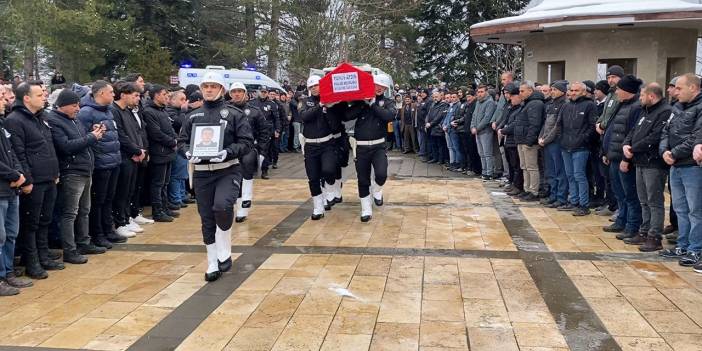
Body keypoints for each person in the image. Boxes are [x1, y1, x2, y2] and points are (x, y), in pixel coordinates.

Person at [177, 71, 253, 282]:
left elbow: (246, 142)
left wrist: (228, 152)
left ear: (221, 89)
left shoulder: (235, 114)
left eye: (213, 86)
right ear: (201, 89)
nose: (209, 89)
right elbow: (181, 142)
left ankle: (225, 247)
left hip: (227, 170)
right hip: (202, 173)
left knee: (222, 206)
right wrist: (187, 152)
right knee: (207, 218)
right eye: (206, 86)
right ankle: (212, 260)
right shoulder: (192, 116)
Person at [5, 82, 61, 279]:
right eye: (39, 95)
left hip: (49, 177)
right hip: (33, 181)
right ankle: (32, 261)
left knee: (45, 220)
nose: (44, 97)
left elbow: (49, 146)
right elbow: (19, 153)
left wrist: (55, 172)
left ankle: (43, 255)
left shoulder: (41, 118)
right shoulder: (15, 120)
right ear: (26, 98)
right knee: (31, 223)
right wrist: (27, 180)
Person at [49, 89, 107, 265]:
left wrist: (92, 132)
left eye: (78, 104)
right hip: (71, 172)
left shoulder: (73, 119)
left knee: (84, 210)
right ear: (63, 105)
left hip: (84, 169)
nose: (78, 108)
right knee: (70, 213)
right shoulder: (54, 120)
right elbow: (66, 146)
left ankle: (83, 242)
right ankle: (70, 250)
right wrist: (92, 137)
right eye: (74, 105)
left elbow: (81, 139)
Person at [659, 73, 702, 267]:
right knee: (681, 208)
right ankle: (682, 245)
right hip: (675, 165)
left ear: (693, 88)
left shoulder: (700, 108)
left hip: (691, 166)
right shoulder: (676, 107)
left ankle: (696, 249)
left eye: (679, 88)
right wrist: (665, 151)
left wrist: (674, 153)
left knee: (695, 210)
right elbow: (666, 131)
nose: (675, 91)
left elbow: (696, 137)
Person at [622, 83, 670, 251]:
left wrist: (633, 149)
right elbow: (633, 131)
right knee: (643, 201)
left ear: (651, 96)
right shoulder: (645, 110)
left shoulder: (664, 111)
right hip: (640, 162)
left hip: (654, 163)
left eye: (642, 95)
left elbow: (655, 137)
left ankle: (654, 236)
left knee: (654, 201)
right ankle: (644, 231)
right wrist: (626, 145)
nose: (640, 98)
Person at [345, 74, 395, 222]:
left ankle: (377, 190)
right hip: (361, 147)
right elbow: (347, 115)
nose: (379, 88)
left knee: (381, 174)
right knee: (362, 179)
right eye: (376, 85)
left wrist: (373, 104)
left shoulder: (387, 102)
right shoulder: (361, 101)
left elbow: (389, 116)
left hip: (379, 146)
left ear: (385, 88)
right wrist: (362, 103)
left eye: (382, 86)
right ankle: (366, 208)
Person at [0, 83, 32, 295]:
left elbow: (11, 154)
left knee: (11, 233)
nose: (5, 100)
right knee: (0, 236)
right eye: (2, 96)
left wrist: (20, 175)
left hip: (12, 189)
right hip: (2, 188)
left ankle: (8, 272)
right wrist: (13, 175)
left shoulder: (2, 124)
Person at [603, 75, 643, 238]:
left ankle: (632, 225)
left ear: (627, 91)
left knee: (630, 195)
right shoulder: (621, 105)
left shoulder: (635, 107)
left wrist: (626, 159)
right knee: (619, 192)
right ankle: (621, 219)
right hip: (614, 155)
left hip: (624, 159)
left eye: (619, 89)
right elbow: (612, 131)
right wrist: (605, 152)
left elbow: (631, 135)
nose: (617, 91)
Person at [228, 82, 271, 223]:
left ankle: (245, 202)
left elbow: (265, 131)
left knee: (246, 168)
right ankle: (237, 203)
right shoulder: (224, 110)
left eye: (240, 91)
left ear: (245, 93)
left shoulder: (254, 111)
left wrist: (262, 152)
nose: (237, 94)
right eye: (234, 91)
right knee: (234, 178)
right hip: (230, 149)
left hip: (248, 148)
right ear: (230, 94)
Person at [111, 81, 148, 238]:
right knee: (122, 191)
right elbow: (121, 135)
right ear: (124, 94)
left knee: (130, 191)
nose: (138, 99)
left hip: (134, 155)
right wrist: (135, 150)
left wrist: (140, 150)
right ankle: (120, 221)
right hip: (124, 156)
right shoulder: (115, 111)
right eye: (135, 96)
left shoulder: (128, 111)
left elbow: (136, 133)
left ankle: (127, 218)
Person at [299, 76, 338, 219]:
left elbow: (336, 121)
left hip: (327, 143)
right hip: (310, 145)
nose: (314, 88)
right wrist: (319, 106)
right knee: (313, 177)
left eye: (316, 85)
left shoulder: (329, 101)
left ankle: (331, 189)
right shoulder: (304, 102)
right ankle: (318, 207)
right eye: (311, 86)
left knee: (328, 170)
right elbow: (304, 116)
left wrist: (331, 107)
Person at [558, 82, 598, 214]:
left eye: (576, 90)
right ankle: (573, 201)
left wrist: (582, 139)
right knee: (570, 175)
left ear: (583, 92)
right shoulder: (566, 106)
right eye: (572, 90)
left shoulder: (589, 105)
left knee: (579, 175)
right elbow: (559, 125)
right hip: (565, 146)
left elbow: (592, 126)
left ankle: (583, 204)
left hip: (581, 147)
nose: (573, 93)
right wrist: (562, 139)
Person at [143, 85, 179, 222]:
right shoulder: (149, 111)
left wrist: (175, 139)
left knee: (165, 182)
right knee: (157, 183)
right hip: (159, 152)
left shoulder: (162, 111)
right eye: (164, 94)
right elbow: (155, 133)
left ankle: (164, 207)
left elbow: (169, 129)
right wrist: (172, 142)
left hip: (167, 152)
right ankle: (157, 211)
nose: (167, 97)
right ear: (156, 95)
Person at [510, 82, 545, 202]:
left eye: (522, 91)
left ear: (530, 90)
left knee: (531, 167)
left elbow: (534, 124)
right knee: (524, 166)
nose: (520, 93)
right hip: (521, 139)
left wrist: (530, 140)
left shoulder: (535, 104)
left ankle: (533, 191)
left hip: (528, 141)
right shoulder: (527, 103)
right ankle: (527, 189)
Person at [539, 81, 568, 208]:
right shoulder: (550, 104)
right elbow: (546, 124)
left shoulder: (564, 105)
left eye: (555, 90)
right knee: (550, 171)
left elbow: (557, 127)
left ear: (562, 91)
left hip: (556, 142)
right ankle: (553, 195)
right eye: (551, 89)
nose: (552, 92)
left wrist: (546, 139)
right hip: (546, 142)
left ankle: (560, 197)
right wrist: (541, 136)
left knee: (559, 171)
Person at [497, 84, 525, 196]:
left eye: (513, 96)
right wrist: (502, 128)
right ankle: (513, 183)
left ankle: (518, 186)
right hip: (508, 140)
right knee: (511, 164)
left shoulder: (520, 108)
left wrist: (504, 130)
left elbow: (515, 123)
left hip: (514, 140)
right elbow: (506, 120)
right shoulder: (511, 108)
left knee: (517, 165)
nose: (511, 99)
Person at [166, 90, 190, 208]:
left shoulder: (177, 111)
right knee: (176, 174)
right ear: (173, 100)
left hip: (181, 145)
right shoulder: (170, 111)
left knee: (182, 173)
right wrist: (183, 111)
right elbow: (180, 123)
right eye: (181, 99)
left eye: (185, 99)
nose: (184, 102)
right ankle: (176, 198)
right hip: (174, 146)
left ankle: (182, 195)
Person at [251, 86, 281, 177]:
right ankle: (253, 169)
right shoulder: (252, 102)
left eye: (265, 92)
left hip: (266, 131)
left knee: (265, 151)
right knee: (253, 150)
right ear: (258, 92)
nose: (263, 93)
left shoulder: (271, 104)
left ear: (267, 93)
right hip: (254, 130)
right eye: (262, 92)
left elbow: (276, 118)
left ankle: (265, 170)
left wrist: (277, 129)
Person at [471, 85, 497, 180]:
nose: (480, 93)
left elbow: (487, 118)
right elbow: (474, 116)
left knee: (487, 153)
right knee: (481, 153)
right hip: (477, 131)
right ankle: (484, 171)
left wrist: (477, 128)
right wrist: (472, 126)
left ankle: (489, 173)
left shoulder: (490, 103)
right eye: (478, 92)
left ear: (486, 92)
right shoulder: (478, 102)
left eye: (482, 91)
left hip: (486, 131)